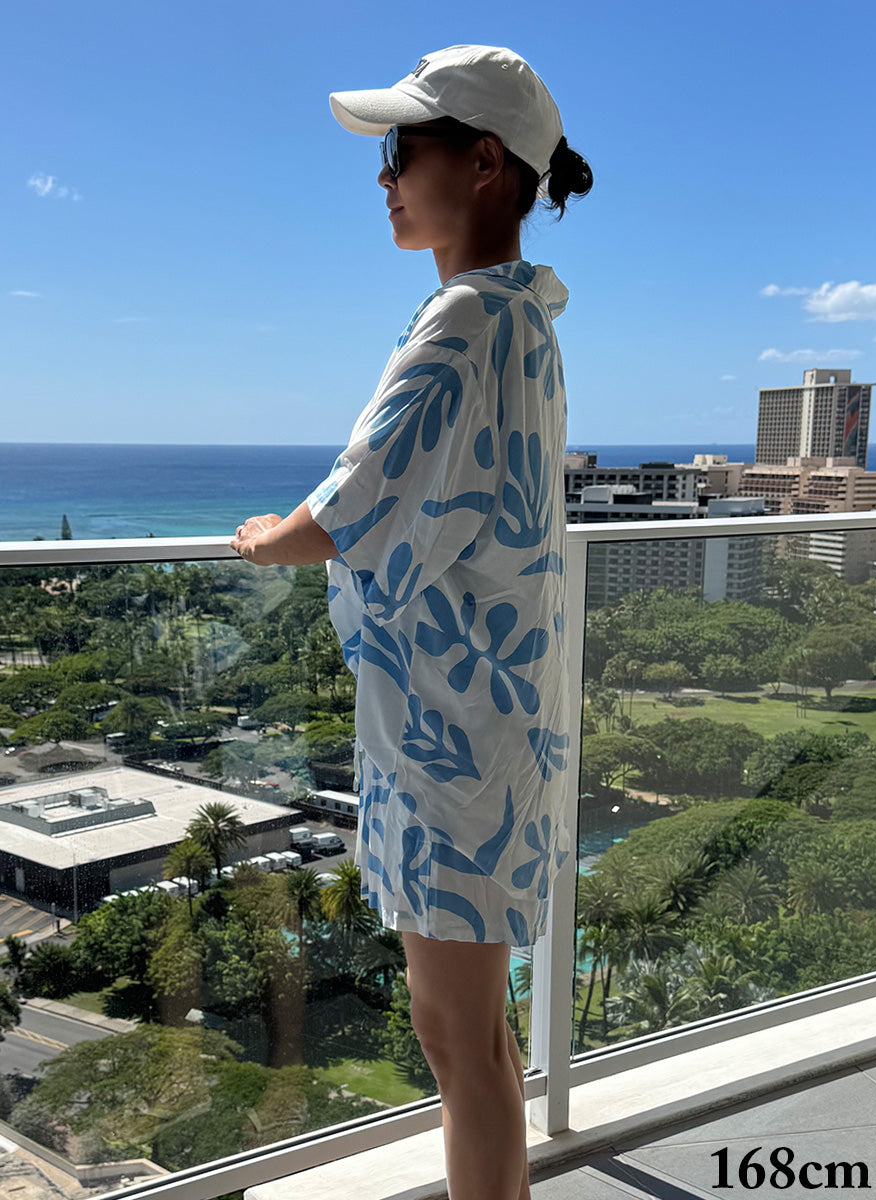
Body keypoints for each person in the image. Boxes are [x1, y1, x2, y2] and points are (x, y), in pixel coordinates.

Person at [231, 44, 591, 1200]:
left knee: (457, 1047)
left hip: (450, 744)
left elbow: (347, 509)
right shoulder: (523, 317)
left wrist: (263, 539)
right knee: (478, 1041)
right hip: (493, 722)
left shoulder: (463, 318)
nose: (383, 179)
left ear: (483, 162)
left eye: (401, 150)